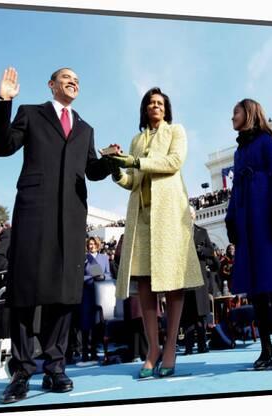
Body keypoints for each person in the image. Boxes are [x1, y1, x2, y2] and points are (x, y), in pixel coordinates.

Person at [0, 67, 110, 404]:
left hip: (71, 217)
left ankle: (56, 366)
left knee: (64, 292)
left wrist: (110, 161)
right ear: (51, 84)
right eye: (67, 77)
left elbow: (92, 170)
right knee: (26, 290)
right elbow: (1, 146)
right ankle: (22, 371)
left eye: (78, 79)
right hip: (34, 211)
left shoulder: (85, 128)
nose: (74, 81)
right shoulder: (30, 113)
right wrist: (3, 102)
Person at [105, 87, 203, 378]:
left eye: (160, 103)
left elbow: (174, 163)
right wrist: (116, 170)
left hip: (169, 214)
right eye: (150, 103)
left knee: (173, 281)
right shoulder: (136, 140)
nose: (155, 106)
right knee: (144, 283)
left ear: (166, 108)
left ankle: (171, 345)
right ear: (144, 109)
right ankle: (153, 348)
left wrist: (135, 162)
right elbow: (133, 180)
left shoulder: (176, 132)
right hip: (142, 215)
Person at [225, 98, 272, 371]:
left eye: (236, 111)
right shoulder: (239, 151)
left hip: (265, 215)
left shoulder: (267, 141)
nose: (232, 116)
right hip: (245, 218)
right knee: (255, 287)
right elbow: (235, 187)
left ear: (249, 113)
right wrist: (230, 216)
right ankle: (265, 348)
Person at [181, 206, 214, 355]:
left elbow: (211, 252)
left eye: (191, 214)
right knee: (188, 316)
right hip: (185, 278)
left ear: (194, 216)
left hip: (200, 278)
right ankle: (188, 347)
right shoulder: (179, 233)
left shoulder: (202, 232)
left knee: (201, 315)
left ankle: (202, 345)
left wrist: (201, 250)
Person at [77, 236, 112, 362]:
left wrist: (102, 277)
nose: (91, 246)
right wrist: (91, 278)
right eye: (89, 244)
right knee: (86, 323)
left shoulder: (104, 258)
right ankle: (85, 352)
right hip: (87, 293)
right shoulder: (84, 258)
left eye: (93, 244)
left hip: (100, 294)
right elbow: (80, 276)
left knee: (98, 323)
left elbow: (109, 274)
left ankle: (94, 351)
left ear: (97, 245)